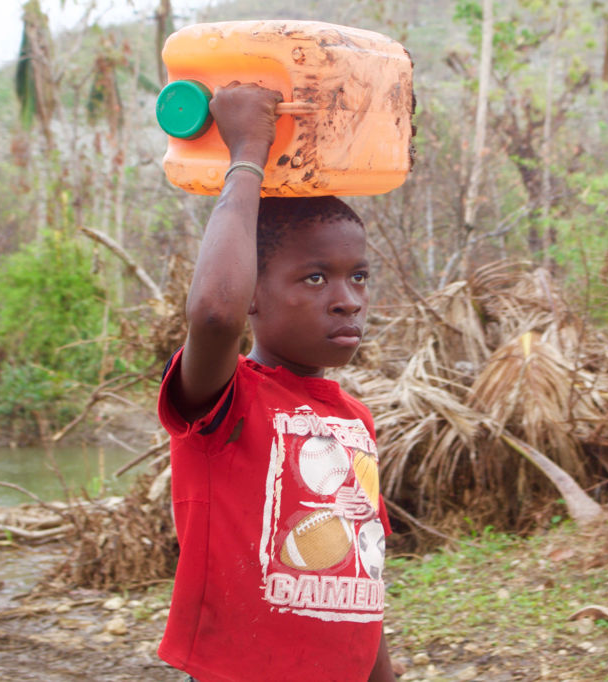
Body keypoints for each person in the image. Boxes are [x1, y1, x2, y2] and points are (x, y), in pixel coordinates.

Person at [156, 82, 396, 682]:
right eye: (316, 280)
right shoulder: (224, 398)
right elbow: (214, 315)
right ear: (252, 293)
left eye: (359, 277)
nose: (348, 302)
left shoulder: (355, 420)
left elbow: (360, 574)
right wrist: (247, 156)